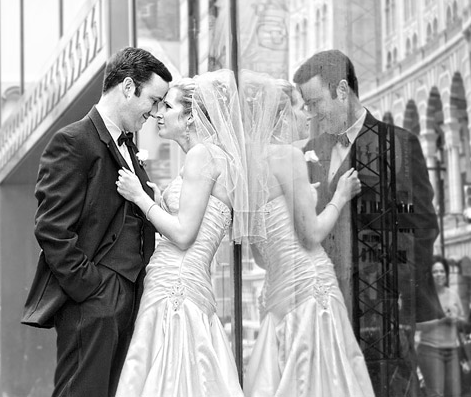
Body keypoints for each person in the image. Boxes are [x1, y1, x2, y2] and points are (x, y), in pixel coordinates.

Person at [20, 47, 172, 396]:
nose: (156, 111)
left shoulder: (129, 146)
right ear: (129, 87)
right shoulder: (72, 141)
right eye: (154, 99)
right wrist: (93, 291)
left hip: (129, 299)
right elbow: (52, 229)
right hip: (94, 302)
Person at [295, 50, 443, 392]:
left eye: (316, 102)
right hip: (323, 313)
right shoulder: (308, 151)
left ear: (343, 90)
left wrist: (394, 297)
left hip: (383, 319)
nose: (311, 113)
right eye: (307, 105)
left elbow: (421, 228)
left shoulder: (400, 145)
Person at [114, 70, 248, 396]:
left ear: (190, 117)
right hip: (182, 280)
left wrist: (140, 197)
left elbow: (185, 234)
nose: (159, 113)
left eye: (168, 107)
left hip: (177, 284)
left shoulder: (203, 155)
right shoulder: (213, 158)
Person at [241, 74, 374, 396]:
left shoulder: (248, 168)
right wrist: (340, 196)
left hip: (278, 291)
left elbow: (259, 255)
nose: (308, 115)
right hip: (310, 286)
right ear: (283, 114)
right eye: (301, 108)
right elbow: (312, 235)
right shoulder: (287, 156)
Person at [417, 256, 466, 397]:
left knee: (455, 394)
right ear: (430, 275)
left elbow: (462, 319)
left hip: (452, 350)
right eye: (435, 271)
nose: (439, 274)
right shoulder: (425, 297)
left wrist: (456, 320)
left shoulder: (453, 295)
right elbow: (417, 325)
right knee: (436, 394)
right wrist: (441, 320)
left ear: (446, 273)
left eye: (442, 271)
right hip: (430, 350)